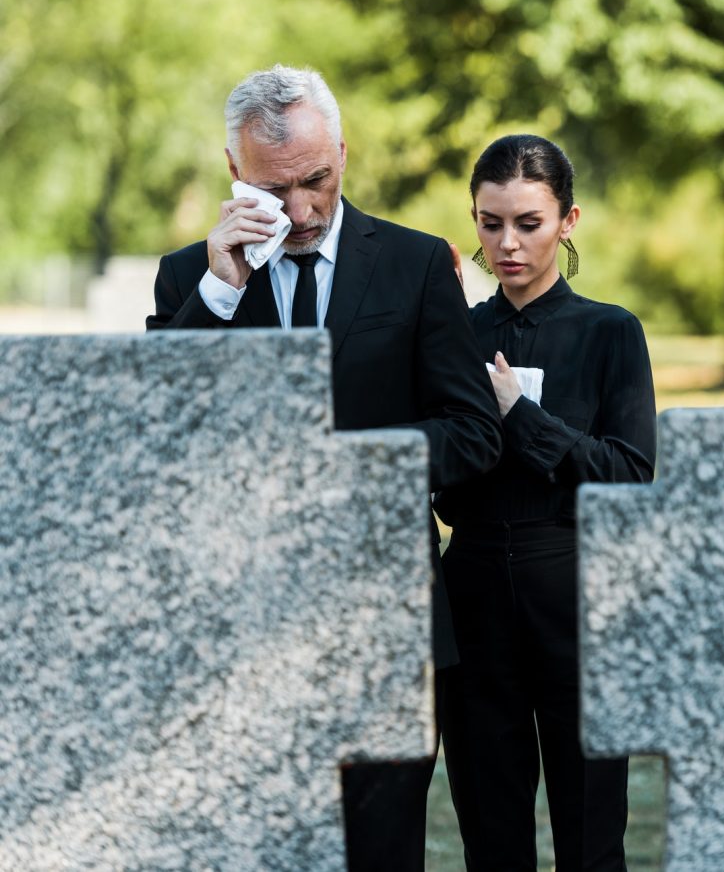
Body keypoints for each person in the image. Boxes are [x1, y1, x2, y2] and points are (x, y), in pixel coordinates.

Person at [146, 64, 503, 871]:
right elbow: (161, 437)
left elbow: (473, 433)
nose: (303, 211)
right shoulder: (187, 280)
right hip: (236, 620)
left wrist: (352, 468)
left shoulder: (417, 265)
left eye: (318, 181)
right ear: (236, 171)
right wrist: (220, 292)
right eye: (279, 190)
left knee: (381, 853)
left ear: (343, 152)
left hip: (383, 615)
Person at [435, 134, 657, 871]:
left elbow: (629, 472)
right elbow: (437, 477)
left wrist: (521, 420)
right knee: (490, 837)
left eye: (528, 223)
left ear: (568, 221)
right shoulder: (455, 335)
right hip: (472, 601)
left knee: (593, 837)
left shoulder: (610, 332)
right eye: (489, 222)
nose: (506, 243)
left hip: (579, 599)